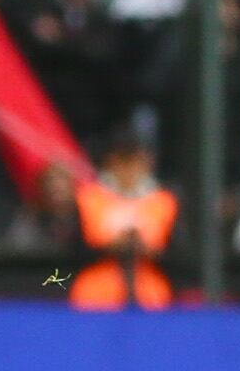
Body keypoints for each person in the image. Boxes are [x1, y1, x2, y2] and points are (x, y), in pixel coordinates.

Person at [67, 125, 177, 310]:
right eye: (123, 159)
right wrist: (109, 248)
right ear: (110, 161)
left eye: (135, 159)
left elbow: (182, 255)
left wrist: (148, 250)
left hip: (153, 298)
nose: (130, 168)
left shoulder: (164, 202)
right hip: (94, 298)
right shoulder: (88, 198)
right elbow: (70, 252)